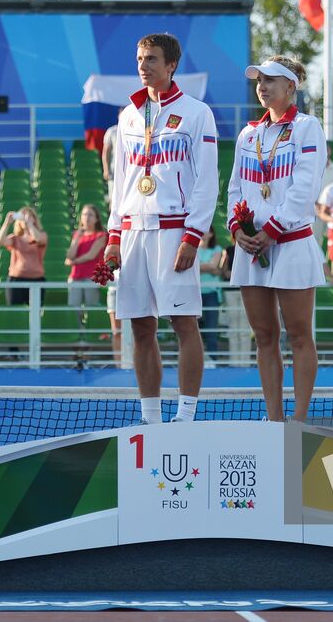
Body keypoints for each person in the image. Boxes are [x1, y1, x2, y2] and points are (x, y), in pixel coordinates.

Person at [104, 32, 219, 424]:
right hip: (134, 230)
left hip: (174, 230)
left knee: (184, 323)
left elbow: (207, 181)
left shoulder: (197, 112)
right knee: (140, 326)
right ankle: (151, 417)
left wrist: (194, 235)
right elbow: (120, 182)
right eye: (139, 59)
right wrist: (113, 235)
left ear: (171, 65)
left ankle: (185, 415)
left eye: (151, 59)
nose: (143, 66)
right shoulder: (128, 115)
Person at [227, 56, 326, 420]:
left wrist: (272, 229)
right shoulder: (248, 134)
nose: (263, 87)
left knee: (299, 335)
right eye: (259, 81)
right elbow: (235, 187)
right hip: (251, 247)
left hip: (291, 243)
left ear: (291, 87)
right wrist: (237, 228)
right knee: (264, 337)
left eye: (271, 80)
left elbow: (305, 186)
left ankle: (298, 420)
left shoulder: (306, 127)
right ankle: (274, 419)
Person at [0, 206, 47, 306]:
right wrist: (6, 223)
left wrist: (30, 225)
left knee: (35, 312)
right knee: (16, 313)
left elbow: (37, 238)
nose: (25, 219)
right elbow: (0, 242)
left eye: (28, 216)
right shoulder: (15, 238)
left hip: (36, 279)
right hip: (16, 279)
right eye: (22, 216)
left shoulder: (42, 235)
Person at [66, 204, 107, 314]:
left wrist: (74, 262)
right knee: (74, 309)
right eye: (84, 214)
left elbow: (91, 255)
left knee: (91, 309)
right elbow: (70, 255)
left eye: (90, 215)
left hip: (91, 277)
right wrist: (77, 238)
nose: (87, 217)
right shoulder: (77, 234)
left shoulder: (101, 235)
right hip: (75, 276)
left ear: (96, 219)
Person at [197, 229, 224, 359]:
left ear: (212, 234)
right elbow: (212, 268)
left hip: (211, 294)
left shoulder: (217, 248)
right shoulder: (192, 248)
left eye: (206, 230)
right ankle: (196, 359)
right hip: (194, 293)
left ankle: (213, 360)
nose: (203, 233)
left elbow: (215, 266)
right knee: (192, 330)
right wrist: (210, 268)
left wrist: (198, 267)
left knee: (211, 329)